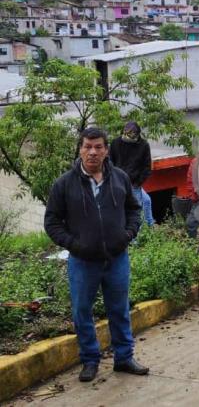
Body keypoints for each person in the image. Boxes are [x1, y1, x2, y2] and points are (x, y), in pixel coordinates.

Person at [44, 128, 148, 383]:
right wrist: (74, 245)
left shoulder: (120, 178)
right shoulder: (64, 183)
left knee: (119, 309)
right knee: (82, 311)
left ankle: (124, 358)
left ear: (106, 150)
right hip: (82, 261)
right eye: (88, 146)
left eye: (98, 147)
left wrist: (127, 235)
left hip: (116, 258)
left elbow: (134, 210)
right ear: (80, 149)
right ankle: (90, 360)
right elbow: (52, 222)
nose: (93, 152)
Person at [110, 121, 154, 226]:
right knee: (128, 210)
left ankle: (149, 226)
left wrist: (138, 183)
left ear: (137, 135)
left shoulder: (143, 145)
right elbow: (110, 162)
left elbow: (147, 167)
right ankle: (134, 239)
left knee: (143, 204)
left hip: (134, 183)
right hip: (119, 182)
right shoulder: (116, 143)